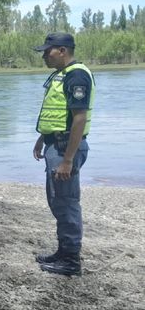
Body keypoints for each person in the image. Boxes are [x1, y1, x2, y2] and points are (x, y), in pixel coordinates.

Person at [32, 32, 95, 276]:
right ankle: (63, 251)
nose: (44, 56)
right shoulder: (63, 74)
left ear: (62, 50)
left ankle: (71, 261)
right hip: (55, 145)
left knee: (66, 202)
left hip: (65, 148)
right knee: (58, 201)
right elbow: (60, 114)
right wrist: (42, 138)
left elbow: (79, 118)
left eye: (47, 51)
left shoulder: (77, 75)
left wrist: (68, 159)